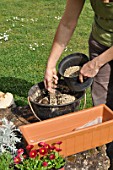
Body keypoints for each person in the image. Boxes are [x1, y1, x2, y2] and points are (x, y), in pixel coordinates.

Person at [44, 0, 113, 168]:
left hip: (102, 55)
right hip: (101, 42)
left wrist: (96, 64)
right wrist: (51, 64)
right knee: (102, 104)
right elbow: (68, 23)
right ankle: (108, 154)